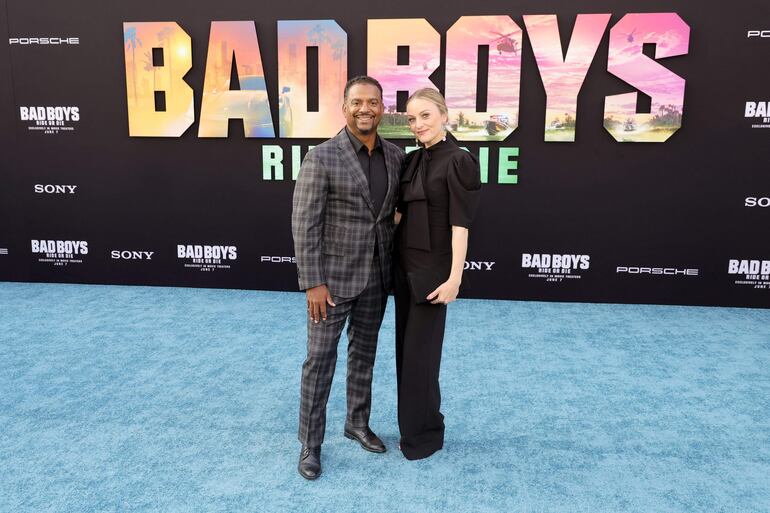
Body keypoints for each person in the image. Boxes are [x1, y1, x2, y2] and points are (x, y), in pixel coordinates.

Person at [291, 76, 405, 480]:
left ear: (382, 108)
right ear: (345, 107)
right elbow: (304, 225)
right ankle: (311, 443)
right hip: (331, 283)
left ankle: (357, 423)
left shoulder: (395, 155)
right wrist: (313, 283)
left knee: (364, 356)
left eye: (373, 102)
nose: (365, 109)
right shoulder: (321, 157)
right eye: (357, 102)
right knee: (319, 360)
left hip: (377, 276)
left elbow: (391, 215)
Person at [393, 88, 482, 460]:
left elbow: (460, 225)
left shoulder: (460, 161)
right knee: (403, 355)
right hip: (402, 269)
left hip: (433, 273)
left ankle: (426, 434)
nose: (418, 125)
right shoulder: (411, 160)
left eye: (426, 116)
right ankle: (413, 426)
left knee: (421, 358)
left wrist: (454, 278)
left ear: (444, 114)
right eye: (412, 119)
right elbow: (398, 215)